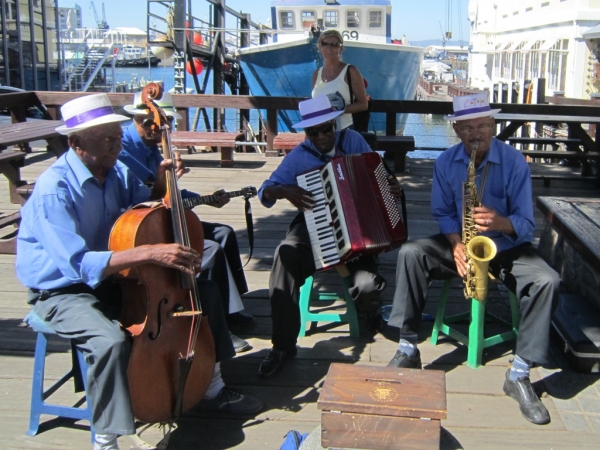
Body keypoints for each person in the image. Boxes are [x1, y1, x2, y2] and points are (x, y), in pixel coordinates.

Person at [15, 94, 263, 450]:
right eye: (107, 140)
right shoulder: (54, 190)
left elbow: (146, 205)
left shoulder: (115, 170)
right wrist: (150, 251)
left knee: (201, 292)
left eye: (117, 138)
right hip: (62, 290)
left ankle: (213, 384)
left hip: (113, 276)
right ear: (75, 143)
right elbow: (78, 264)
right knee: (108, 340)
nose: (117, 147)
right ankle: (106, 437)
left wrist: (163, 182)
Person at [385, 92, 560, 425]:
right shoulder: (446, 162)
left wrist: (499, 222)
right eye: (468, 128)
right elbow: (442, 211)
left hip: (505, 246)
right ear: (457, 131)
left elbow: (525, 225)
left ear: (493, 126)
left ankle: (519, 373)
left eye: (483, 126)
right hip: (462, 244)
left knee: (547, 280)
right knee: (410, 253)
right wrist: (454, 243)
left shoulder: (515, 163)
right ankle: (408, 348)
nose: (476, 134)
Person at [257, 95, 401, 377]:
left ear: (335, 124)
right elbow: (265, 191)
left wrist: (390, 186)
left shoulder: (354, 141)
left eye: (326, 128)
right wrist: (284, 191)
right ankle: (283, 345)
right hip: (316, 226)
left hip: (359, 230)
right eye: (313, 131)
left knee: (368, 285)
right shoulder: (299, 157)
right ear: (305, 132)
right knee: (285, 255)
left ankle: (370, 311)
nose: (321, 136)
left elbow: (380, 173)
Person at [119, 91, 253, 353]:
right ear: (145, 121)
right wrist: (164, 179)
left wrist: (204, 199)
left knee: (224, 233)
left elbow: (171, 194)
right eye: (162, 124)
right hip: (139, 225)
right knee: (209, 249)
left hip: (162, 214)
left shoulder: (151, 144)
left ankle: (231, 310)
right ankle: (215, 326)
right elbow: (145, 197)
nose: (164, 130)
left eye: (167, 123)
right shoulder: (122, 150)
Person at [311, 29, 368, 131]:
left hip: (344, 129)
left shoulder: (350, 71)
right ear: (320, 47)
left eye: (334, 44)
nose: (329, 48)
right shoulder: (316, 74)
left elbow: (363, 104)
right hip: (320, 132)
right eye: (324, 44)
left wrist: (339, 109)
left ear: (340, 48)